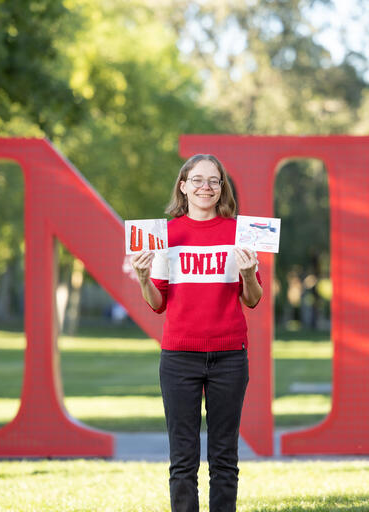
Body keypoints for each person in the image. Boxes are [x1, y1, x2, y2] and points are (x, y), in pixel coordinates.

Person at [130, 154, 262, 512]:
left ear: (222, 189)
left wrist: (249, 274)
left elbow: (253, 299)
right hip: (179, 358)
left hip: (230, 357)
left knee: (224, 458)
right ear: (183, 186)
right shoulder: (163, 235)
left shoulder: (240, 233)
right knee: (183, 460)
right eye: (198, 180)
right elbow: (157, 303)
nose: (206, 187)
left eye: (214, 181)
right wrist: (143, 278)